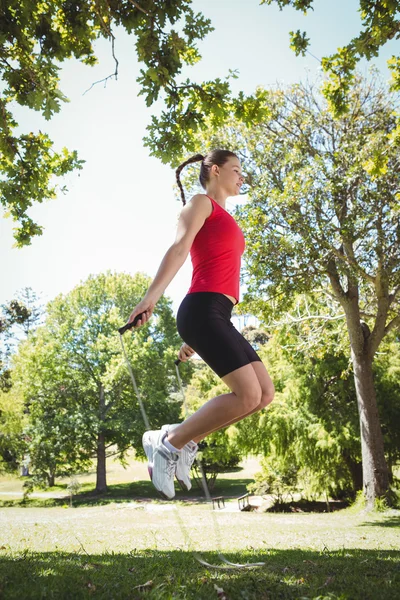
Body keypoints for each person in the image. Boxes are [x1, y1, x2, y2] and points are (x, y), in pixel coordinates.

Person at [126, 149, 275, 499]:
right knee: (247, 393)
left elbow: (219, 272)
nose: (242, 177)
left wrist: (208, 334)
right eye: (236, 170)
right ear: (215, 170)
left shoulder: (225, 216)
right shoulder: (200, 204)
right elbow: (178, 250)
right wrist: (150, 299)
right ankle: (168, 444)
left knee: (263, 394)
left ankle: (187, 437)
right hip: (201, 310)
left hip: (217, 315)